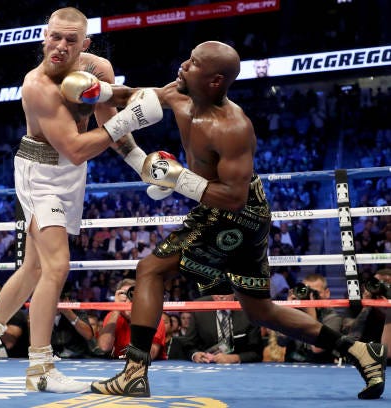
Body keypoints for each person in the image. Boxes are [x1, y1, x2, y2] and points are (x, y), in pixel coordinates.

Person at [87, 40, 386, 399]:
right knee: (260, 310)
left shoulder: (232, 127)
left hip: (234, 210)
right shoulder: (178, 93)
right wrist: (96, 90)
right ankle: (357, 351)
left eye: (194, 62)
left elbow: (233, 196)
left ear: (214, 81)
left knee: (150, 269)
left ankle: (134, 373)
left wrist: (176, 178)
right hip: (229, 208)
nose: (183, 64)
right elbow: (134, 95)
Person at [0, 6, 162, 393]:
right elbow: (75, 147)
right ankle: (39, 369)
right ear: (44, 35)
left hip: (71, 174)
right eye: (55, 36)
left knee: (35, 268)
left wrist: (141, 164)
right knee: (58, 266)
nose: (60, 45)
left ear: (84, 43)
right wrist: (133, 116)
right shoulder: (37, 85)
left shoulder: (99, 69)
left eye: (71, 39)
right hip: (39, 173)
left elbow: (109, 124)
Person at [170, 294, 264, 363]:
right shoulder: (199, 308)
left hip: (241, 370)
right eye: (216, 292)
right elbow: (188, 344)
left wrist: (235, 358)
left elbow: (257, 352)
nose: (221, 296)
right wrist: (195, 355)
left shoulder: (248, 309)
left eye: (225, 292)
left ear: (234, 291)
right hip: (207, 367)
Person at [276, 274, 343, 363]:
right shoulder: (295, 313)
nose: (311, 296)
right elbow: (281, 340)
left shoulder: (333, 318)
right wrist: (289, 309)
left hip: (321, 369)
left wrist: (310, 313)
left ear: (327, 293)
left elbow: (317, 349)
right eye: (306, 291)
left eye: (316, 292)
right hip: (292, 367)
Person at [96, 279, 166, 360]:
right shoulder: (112, 316)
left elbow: (150, 354)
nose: (128, 298)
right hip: (119, 364)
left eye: (132, 293)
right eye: (123, 293)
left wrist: (136, 317)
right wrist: (116, 308)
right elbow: (104, 347)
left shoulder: (154, 318)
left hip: (151, 367)